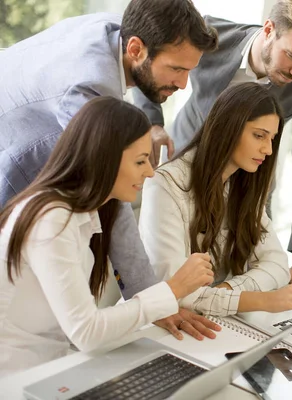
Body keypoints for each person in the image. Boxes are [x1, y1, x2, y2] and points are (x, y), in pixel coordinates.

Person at [0, 0, 220, 340]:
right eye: (177, 69)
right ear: (136, 49)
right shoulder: (90, 86)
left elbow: (145, 77)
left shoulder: (120, 31)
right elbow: (113, 187)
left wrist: (147, 127)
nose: (184, 84)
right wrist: (157, 297)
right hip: (12, 164)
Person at [0, 97, 216, 376]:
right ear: (104, 158)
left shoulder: (82, 213)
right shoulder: (51, 218)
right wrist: (173, 290)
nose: (150, 172)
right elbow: (86, 331)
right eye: (140, 161)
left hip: (52, 366)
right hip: (14, 379)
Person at [133, 0, 292, 285]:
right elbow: (149, 63)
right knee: (173, 273)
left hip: (247, 185)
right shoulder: (211, 35)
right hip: (184, 165)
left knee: (245, 269)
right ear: (269, 30)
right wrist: (152, 123)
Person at [139, 83, 292, 317]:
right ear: (227, 128)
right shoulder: (165, 185)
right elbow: (176, 292)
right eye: (259, 136)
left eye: (272, 139)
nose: (267, 150)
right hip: (160, 324)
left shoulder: (244, 184)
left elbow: (277, 264)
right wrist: (263, 300)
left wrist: (227, 291)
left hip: (212, 318)